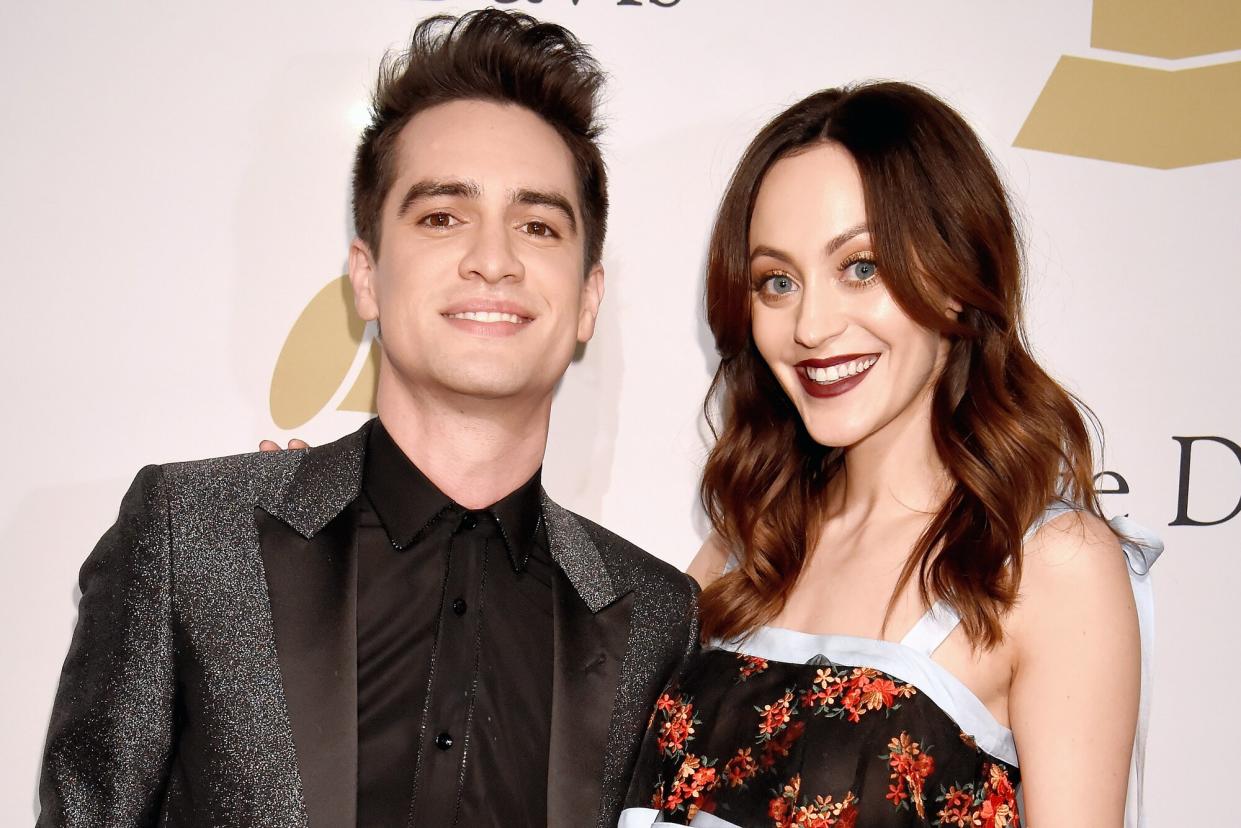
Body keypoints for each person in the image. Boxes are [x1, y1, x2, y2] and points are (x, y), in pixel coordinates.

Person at [37, 11, 697, 828]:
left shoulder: (656, 617)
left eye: (537, 224)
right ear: (365, 275)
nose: (493, 258)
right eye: (441, 216)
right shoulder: (190, 538)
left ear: (587, 298)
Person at [620, 82, 1160, 827]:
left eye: (861, 268)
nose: (810, 325)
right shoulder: (746, 545)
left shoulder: (1049, 565)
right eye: (777, 282)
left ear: (950, 276)